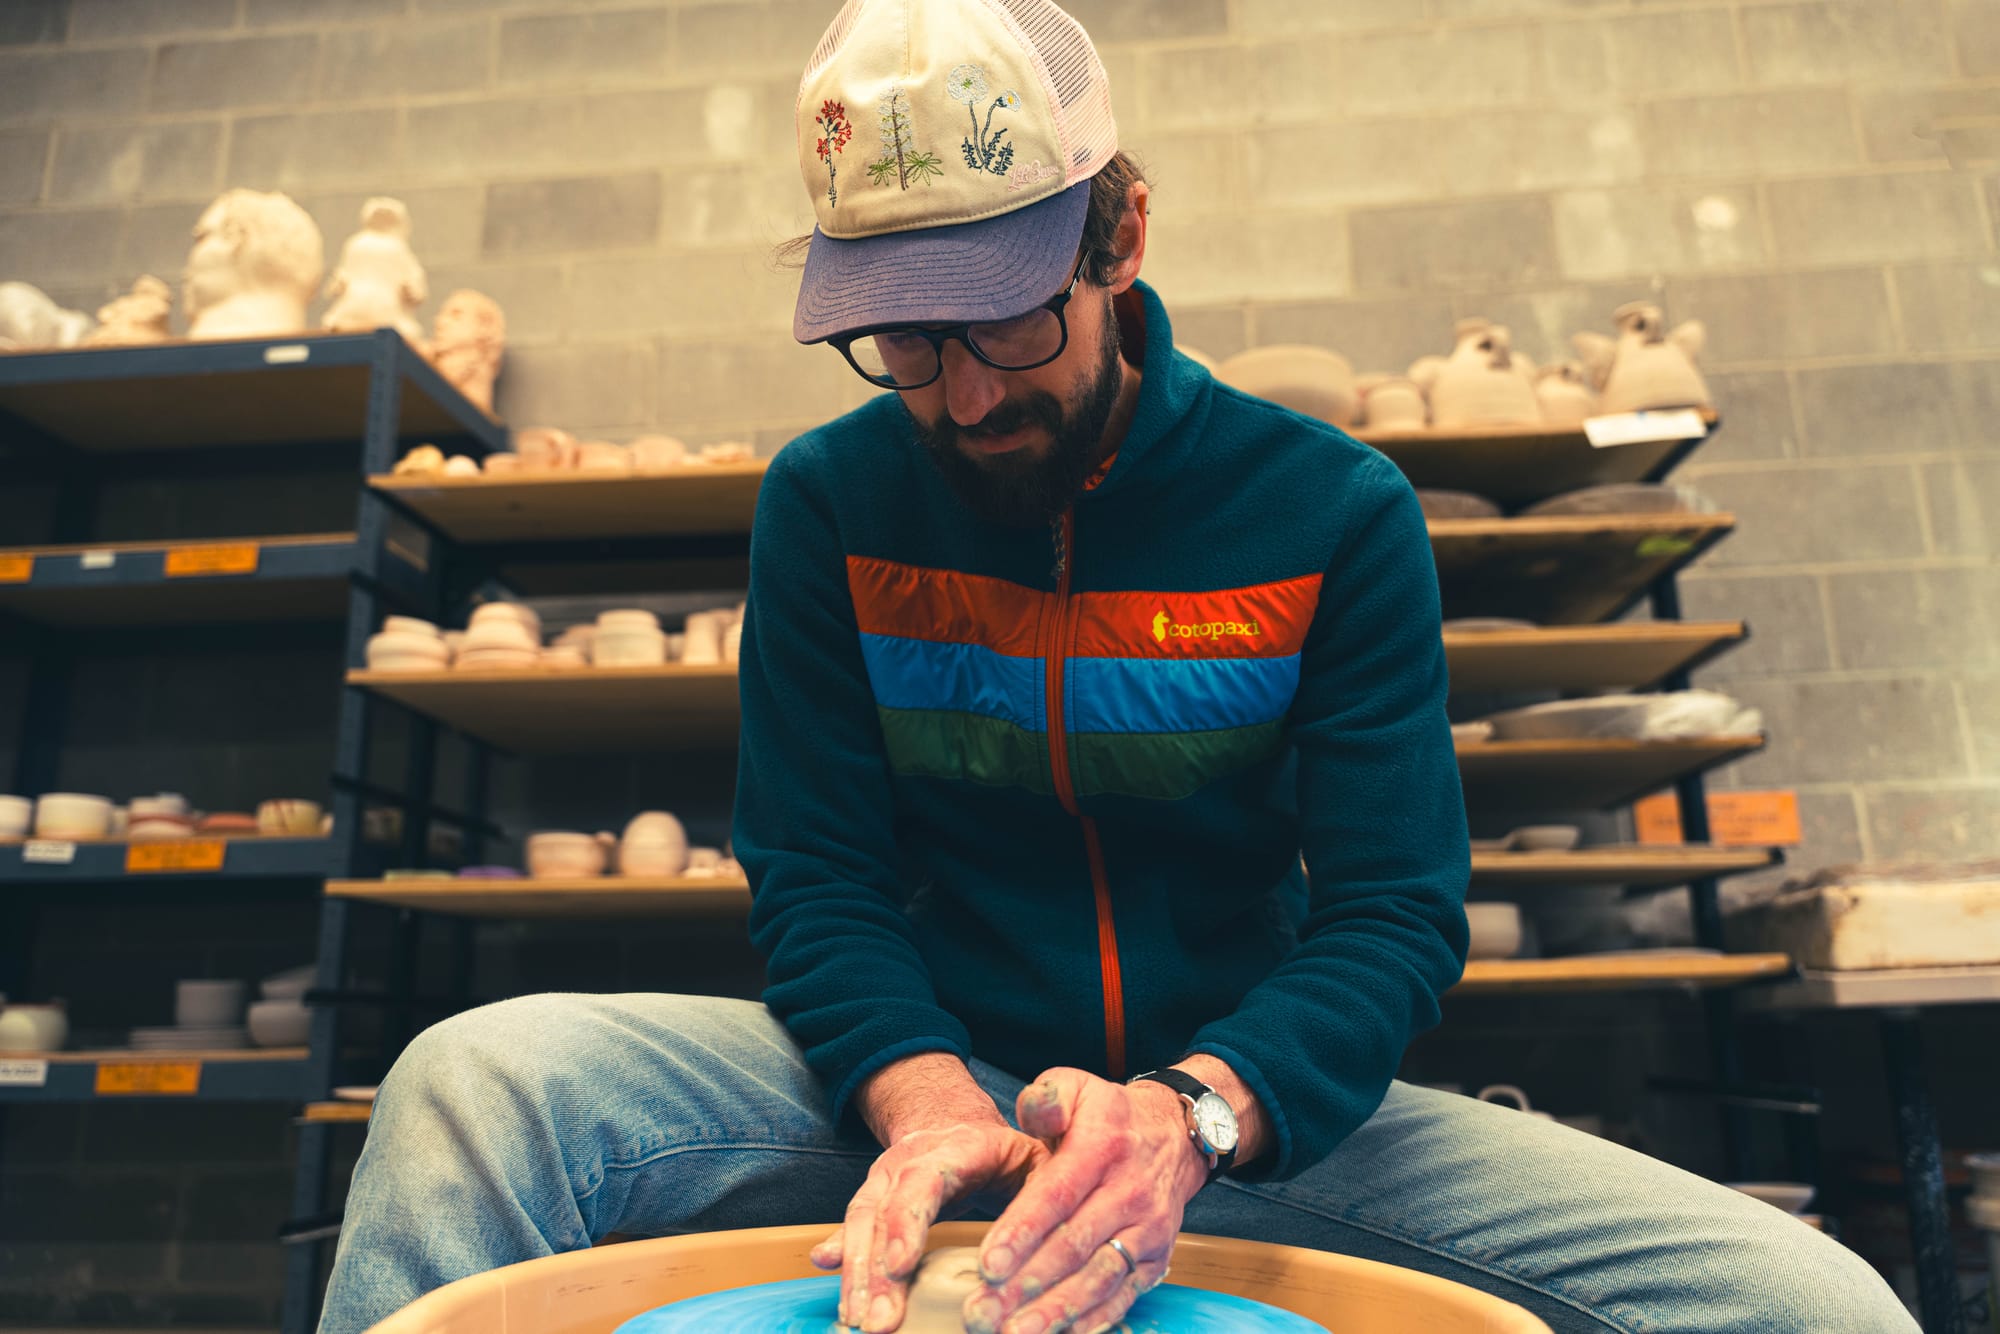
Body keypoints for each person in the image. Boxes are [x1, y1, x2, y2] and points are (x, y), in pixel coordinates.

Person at [316, 2, 1918, 1331]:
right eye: (905, 339)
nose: (955, 396)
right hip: (914, 1086)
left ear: (1121, 236)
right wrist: (924, 1097)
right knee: (474, 1083)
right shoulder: (829, 502)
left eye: (1003, 322)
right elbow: (816, 873)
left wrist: (1199, 1111)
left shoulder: (1333, 512)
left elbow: (1395, 913)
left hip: (1239, 1114)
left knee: (1810, 1305)